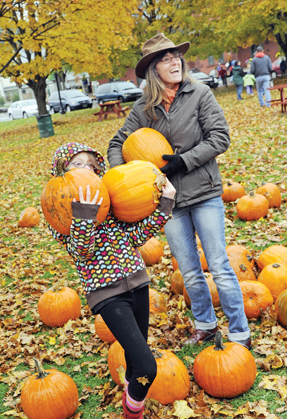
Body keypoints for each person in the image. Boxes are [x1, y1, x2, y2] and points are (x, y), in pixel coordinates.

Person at [107, 33, 251, 352]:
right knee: (188, 269)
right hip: (167, 202)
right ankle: (205, 325)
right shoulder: (144, 108)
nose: (174, 62)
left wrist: (183, 161)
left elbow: (220, 138)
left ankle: (240, 332)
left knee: (218, 263)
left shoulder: (199, 93)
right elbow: (117, 144)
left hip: (205, 193)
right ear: (153, 69)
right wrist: (125, 175)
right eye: (166, 58)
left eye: (176, 57)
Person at [48, 142, 176, 419]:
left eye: (91, 166)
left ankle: (130, 395)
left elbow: (136, 236)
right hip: (108, 295)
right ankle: (133, 411)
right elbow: (82, 250)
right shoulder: (61, 212)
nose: (86, 170)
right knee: (147, 365)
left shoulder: (112, 206)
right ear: (62, 172)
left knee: (133, 360)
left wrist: (166, 203)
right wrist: (85, 214)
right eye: (77, 165)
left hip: (138, 284)